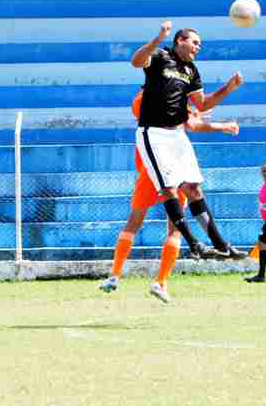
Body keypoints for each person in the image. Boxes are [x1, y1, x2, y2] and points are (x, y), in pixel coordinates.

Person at [100, 92, 240, 303]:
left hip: (152, 171)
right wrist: (215, 123)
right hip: (164, 168)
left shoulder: (145, 98)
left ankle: (117, 276)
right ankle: (158, 282)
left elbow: (183, 121)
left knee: (137, 223)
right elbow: (187, 123)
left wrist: (192, 114)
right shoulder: (161, 96)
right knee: (168, 228)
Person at [132, 20, 247, 263]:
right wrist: (157, 38)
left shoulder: (191, 70)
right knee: (168, 189)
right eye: (195, 42)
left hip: (177, 135)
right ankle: (194, 243)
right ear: (179, 41)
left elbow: (202, 105)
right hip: (153, 133)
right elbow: (136, 61)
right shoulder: (161, 56)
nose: (198, 47)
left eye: (200, 44)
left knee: (193, 189)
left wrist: (229, 88)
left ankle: (221, 245)